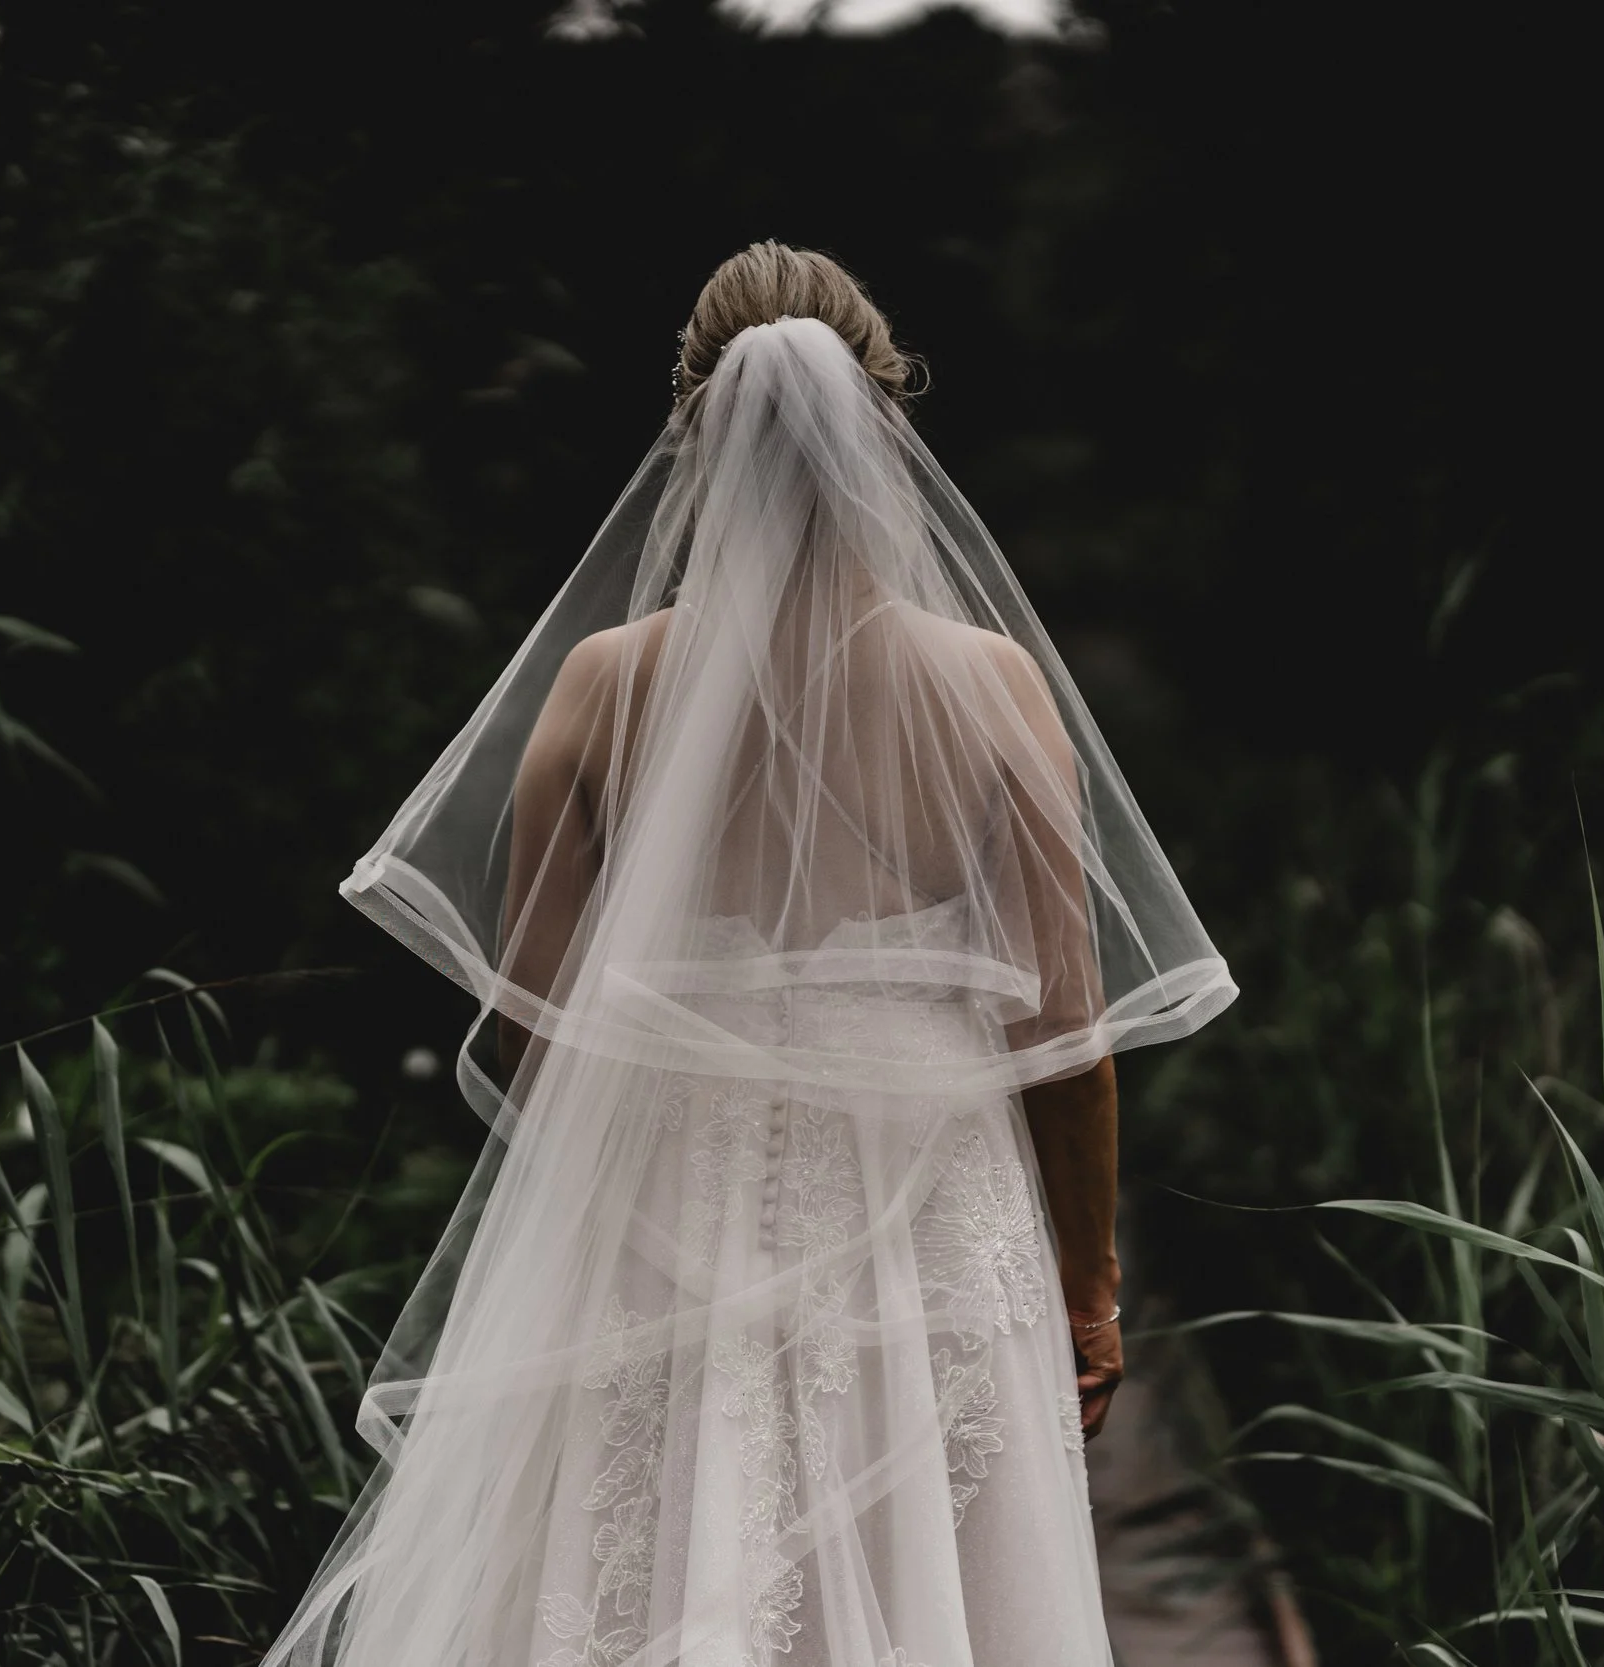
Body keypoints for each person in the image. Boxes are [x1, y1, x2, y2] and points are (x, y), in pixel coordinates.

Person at [267, 242, 1235, 1667]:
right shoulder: (990, 683)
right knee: (936, 1571)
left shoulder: (605, 683)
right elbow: (1066, 1033)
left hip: (669, 1190)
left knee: (659, 1556)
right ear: (886, 428)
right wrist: (1090, 1291)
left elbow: (533, 1024)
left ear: (691, 434)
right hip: (927, 1192)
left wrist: (664, 1141)